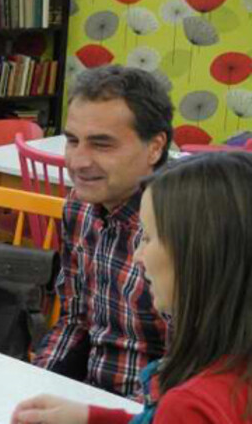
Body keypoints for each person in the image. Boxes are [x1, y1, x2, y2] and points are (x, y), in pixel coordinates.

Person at [12, 151, 252, 423]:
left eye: (147, 238)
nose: (138, 255)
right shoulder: (232, 375)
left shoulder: (190, 405)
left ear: (198, 254)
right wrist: (90, 417)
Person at [34, 65, 171, 397]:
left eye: (102, 144)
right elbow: (74, 321)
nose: (78, 161)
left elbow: (194, 365)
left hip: (154, 407)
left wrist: (107, 417)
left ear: (155, 147)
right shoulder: (79, 206)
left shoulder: (182, 224)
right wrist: (35, 386)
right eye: (72, 141)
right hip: (88, 396)